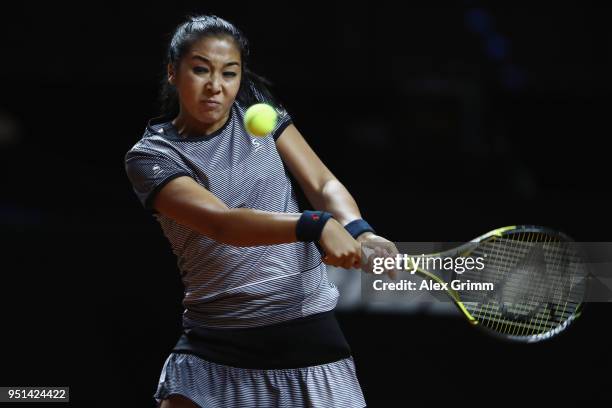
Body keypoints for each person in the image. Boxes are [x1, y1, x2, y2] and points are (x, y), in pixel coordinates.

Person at [125, 14, 397, 408]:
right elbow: (221, 223)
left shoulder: (255, 105)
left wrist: (361, 231)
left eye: (229, 73)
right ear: (173, 72)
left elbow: (322, 183)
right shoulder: (151, 157)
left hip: (307, 341)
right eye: (200, 70)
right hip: (214, 350)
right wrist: (315, 225)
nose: (215, 86)